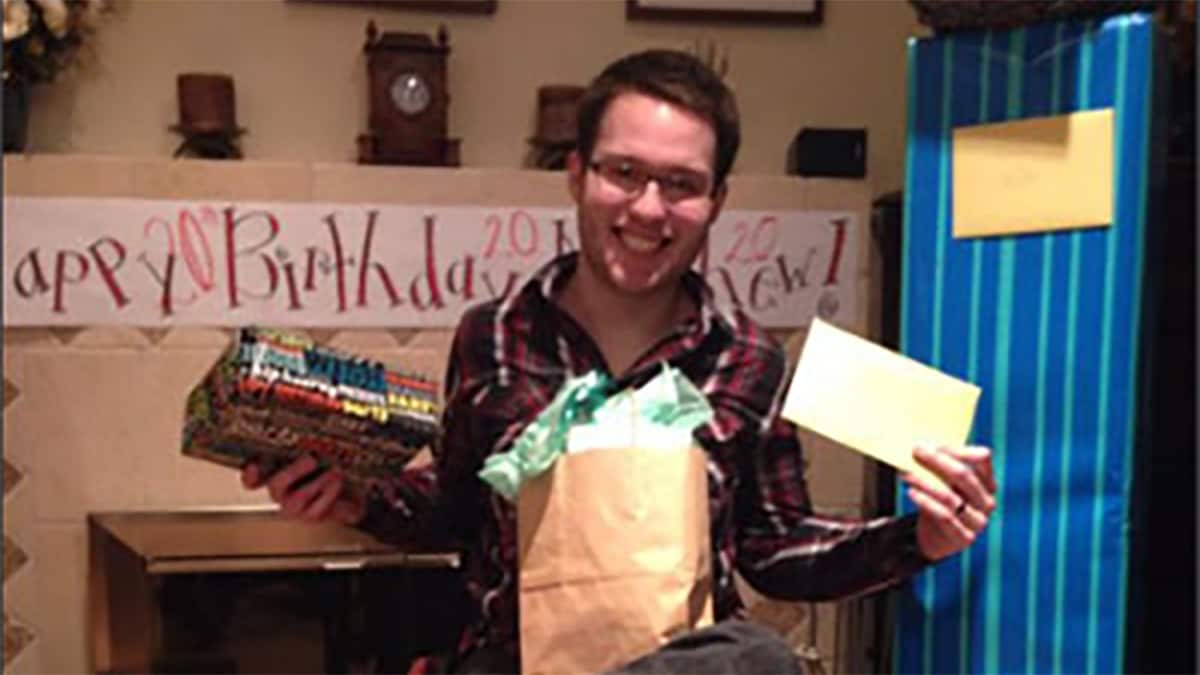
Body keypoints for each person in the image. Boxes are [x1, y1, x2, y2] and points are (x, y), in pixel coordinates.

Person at [242, 48, 997, 673]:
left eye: (681, 185)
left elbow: (774, 549)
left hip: (684, 663)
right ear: (577, 175)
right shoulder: (495, 336)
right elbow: (457, 509)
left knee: (759, 661)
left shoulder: (747, 358)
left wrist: (919, 538)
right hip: (517, 658)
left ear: (716, 199)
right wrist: (356, 497)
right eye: (623, 172)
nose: (647, 208)